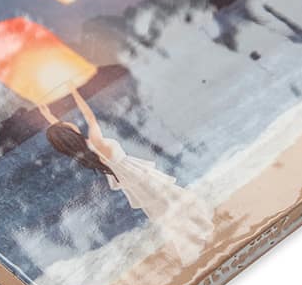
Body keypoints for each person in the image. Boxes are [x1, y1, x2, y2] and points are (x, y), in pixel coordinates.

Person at [38, 86, 214, 265]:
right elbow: (89, 116)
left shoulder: (85, 151)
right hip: (139, 176)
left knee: (168, 209)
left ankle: (199, 236)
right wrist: (75, 92)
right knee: (177, 200)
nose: (67, 122)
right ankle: (203, 233)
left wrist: (48, 116)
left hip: (133, 183)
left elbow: (64, 133)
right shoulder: (95, 140)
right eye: (65, 125)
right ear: (69, 132)